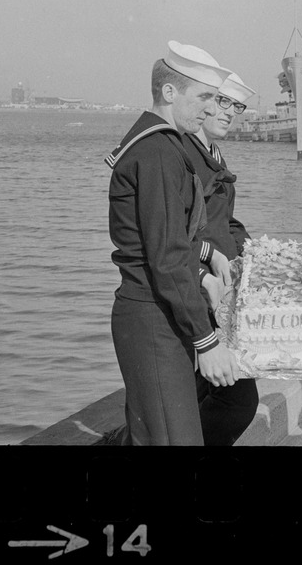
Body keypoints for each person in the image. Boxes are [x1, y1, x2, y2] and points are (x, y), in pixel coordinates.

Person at [106, 41, 246, 445]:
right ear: (169, 93)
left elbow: (172, 240)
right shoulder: (158, 153)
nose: (209, 108)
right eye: (203, 97)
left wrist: (207, 254)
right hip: (153, 319)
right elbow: (166, 258)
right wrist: (207, 341)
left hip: (162, 313)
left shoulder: (160, 145)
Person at [183, 71, 260, 445]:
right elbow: (174, 235)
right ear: (204, 101)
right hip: (199, 289)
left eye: (237, 106)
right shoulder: (186, 156)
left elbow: (224, 222)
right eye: (222, 102)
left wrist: (254, 250)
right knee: (237, 401)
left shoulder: (210, 153)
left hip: (221, 291)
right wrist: (204, 274)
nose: (230, 113)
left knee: (197, 393)